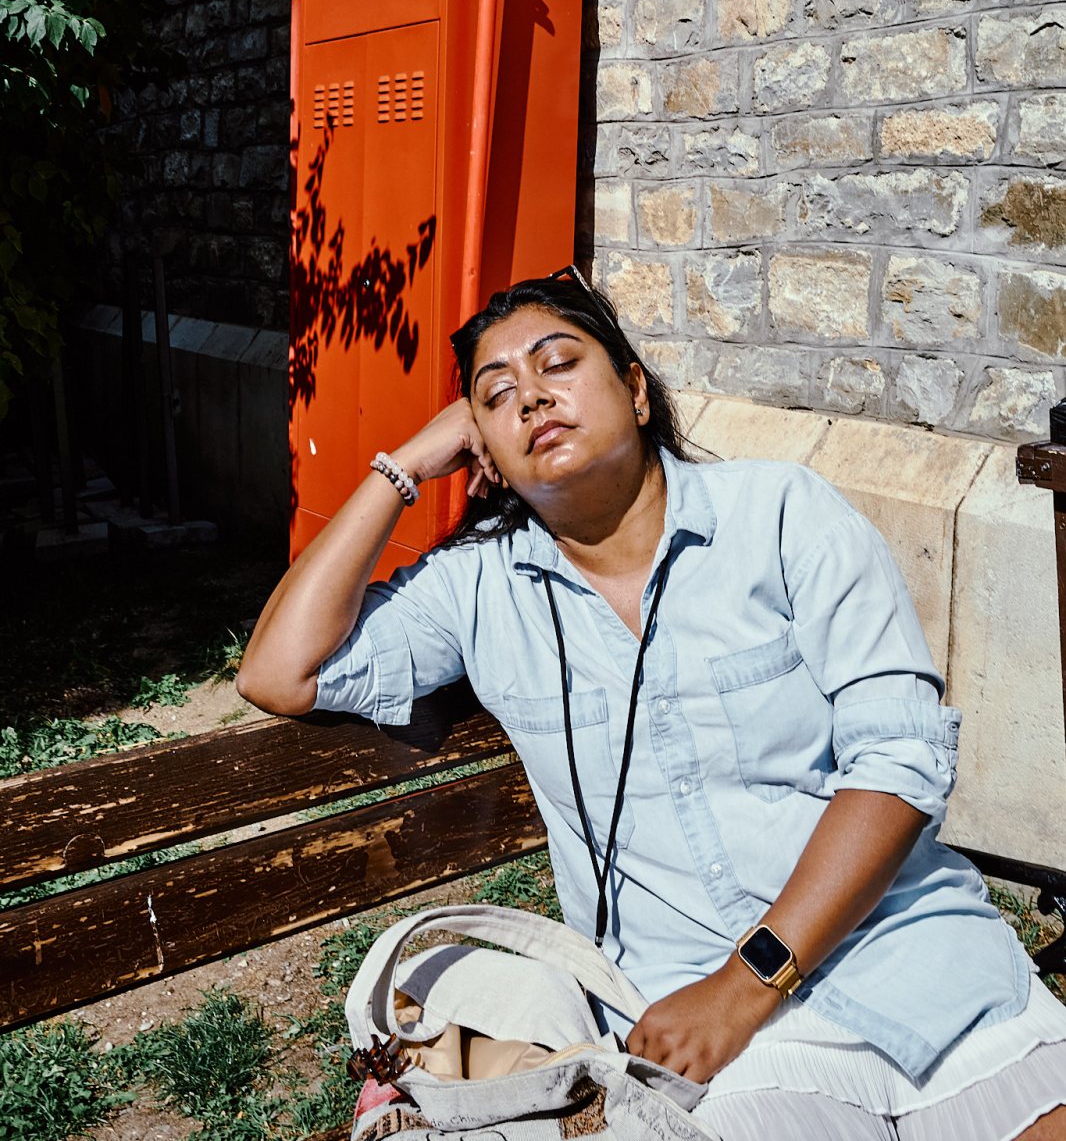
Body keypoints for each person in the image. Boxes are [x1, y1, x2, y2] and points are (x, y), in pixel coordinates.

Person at [237, 270, 1066, 1139]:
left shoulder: (781, 514)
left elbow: (898, 760)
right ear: (483, 447)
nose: (532, 397)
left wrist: (745, 984)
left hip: (912, 963)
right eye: (496, 394)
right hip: (712, 1041)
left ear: (635, 390)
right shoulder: (476, 588)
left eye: (558, 363)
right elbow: (277, 671)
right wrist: (406, 464)